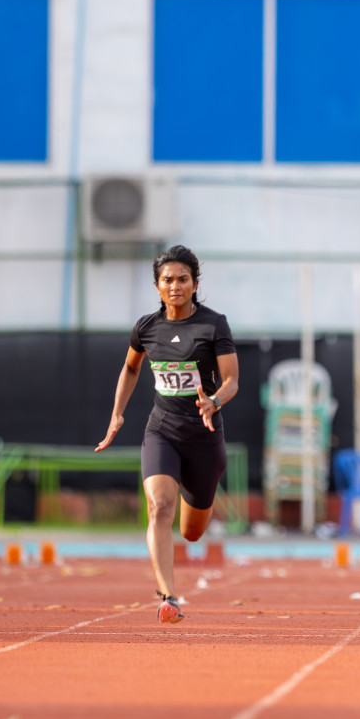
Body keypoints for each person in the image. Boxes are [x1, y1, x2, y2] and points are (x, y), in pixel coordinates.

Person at [97, 245, 238, 624]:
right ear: (157, 286)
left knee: (192, 532)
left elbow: (231, 380)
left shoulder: (213, 325)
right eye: (167, 280)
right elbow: (130, 369)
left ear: (194, 284)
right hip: (162, 431)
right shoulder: (146, 327)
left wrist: (215, 402)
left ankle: (178, 564)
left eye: (182, 279)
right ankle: (168, 596)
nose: (175, 286)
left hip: (205, 437)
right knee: (159, 505)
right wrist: (117, 415)